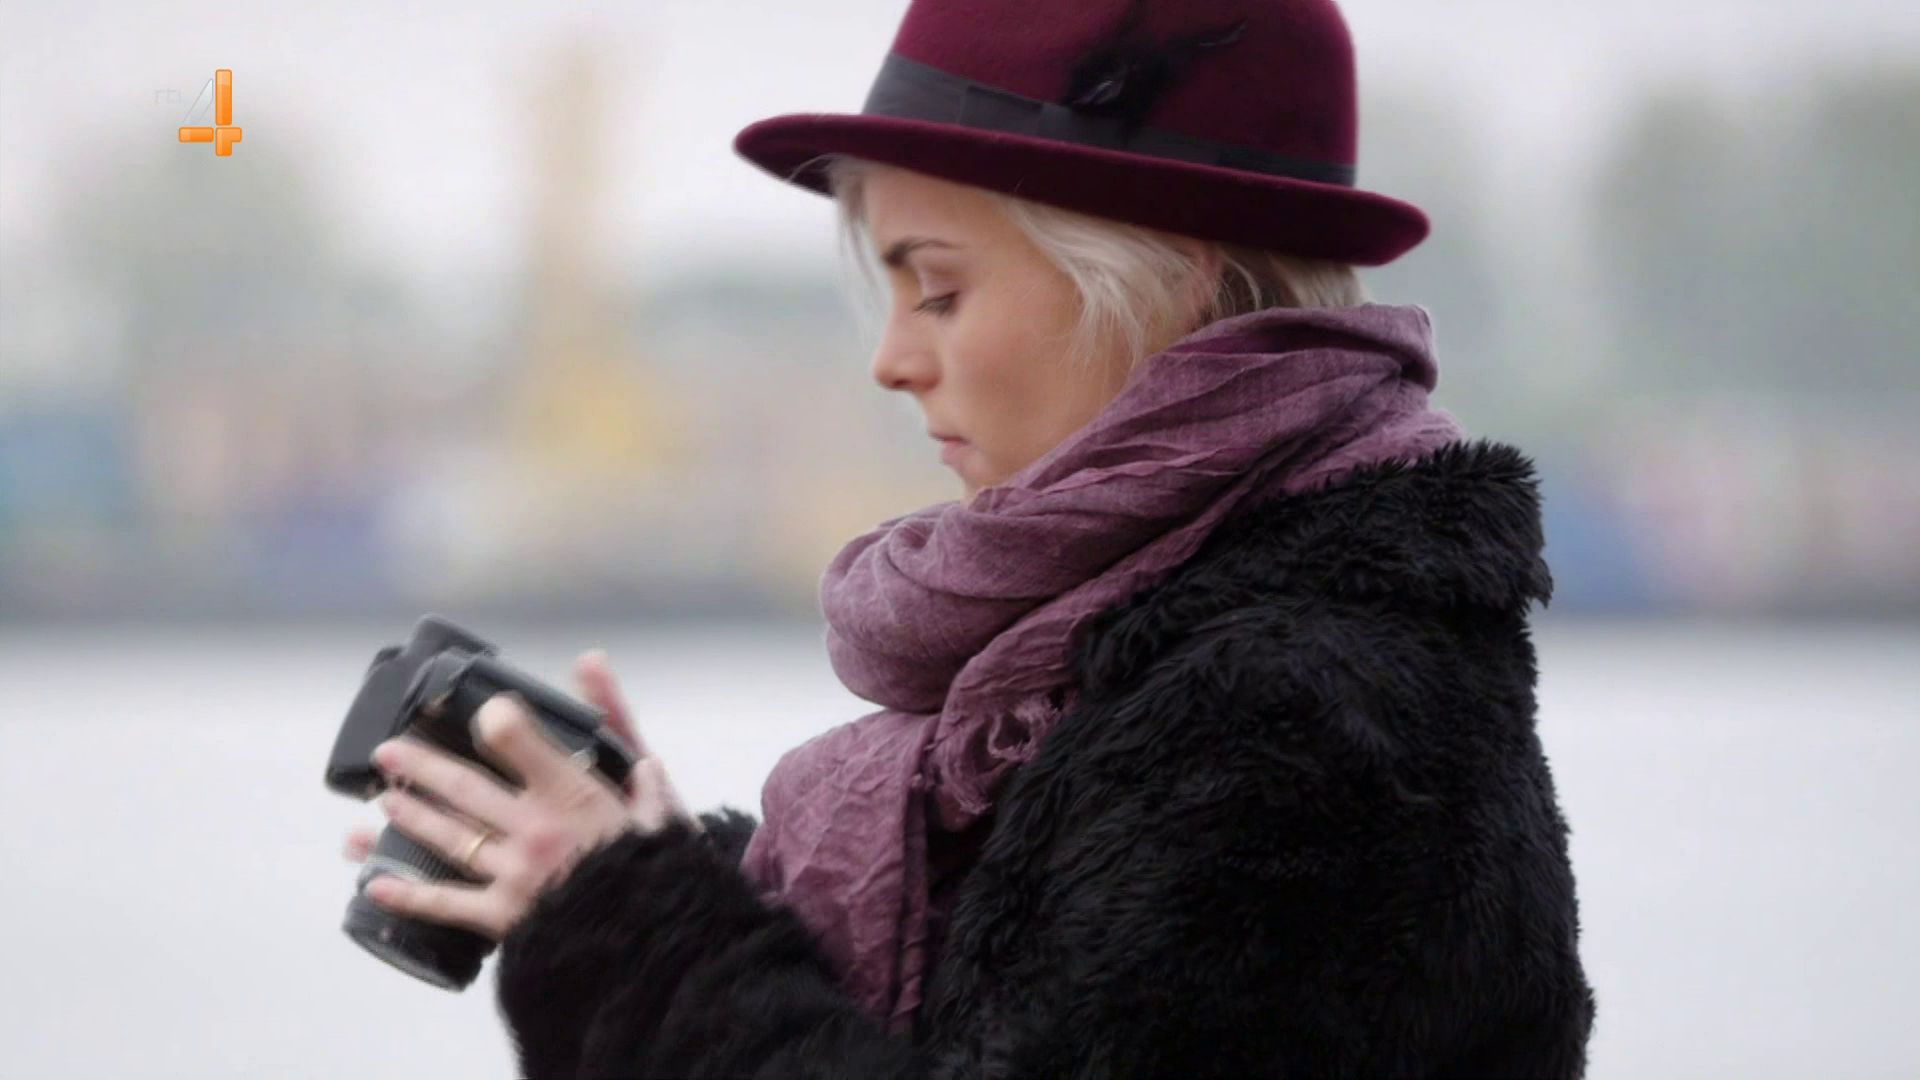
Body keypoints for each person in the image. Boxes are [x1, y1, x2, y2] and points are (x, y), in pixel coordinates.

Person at [341, 0, 1597, 1075]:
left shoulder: (1298, 717)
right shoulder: (1218, 661)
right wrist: (638, 868)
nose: (891, 360)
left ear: (1173, 280)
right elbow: (1014, 974)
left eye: (939, 290)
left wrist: (636, 933)